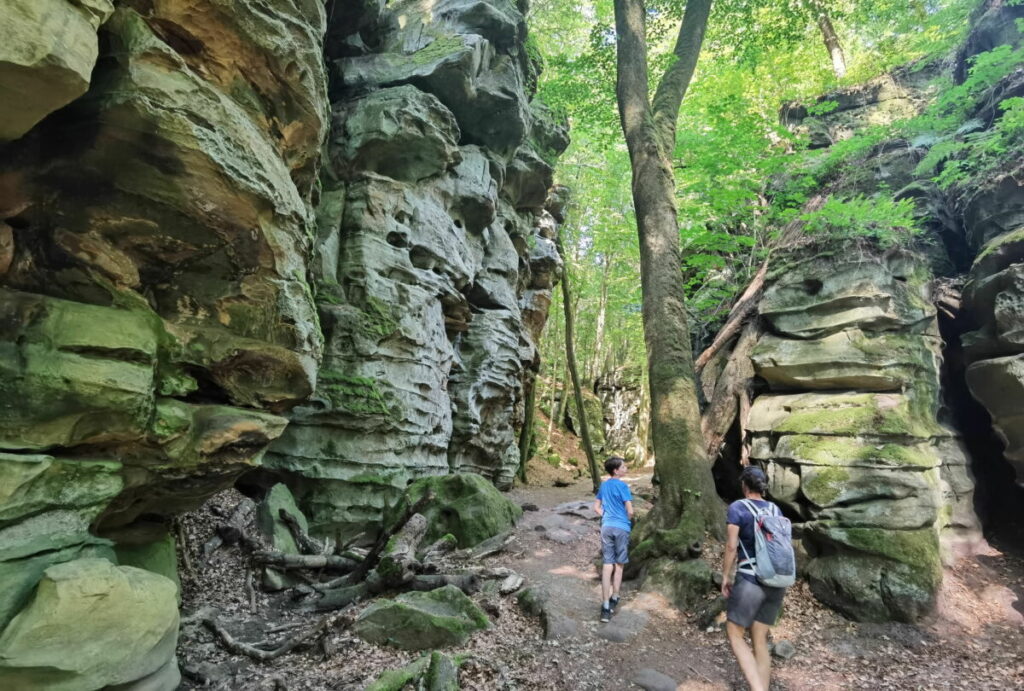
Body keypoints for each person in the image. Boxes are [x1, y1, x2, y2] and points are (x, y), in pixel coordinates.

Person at [721, 466, 788, 691]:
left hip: (751, 579)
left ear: (744, 485)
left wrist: (725, 576)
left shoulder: (738, 508)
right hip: (776, 581)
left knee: (735, 632)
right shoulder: (775, 509)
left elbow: (731, 546)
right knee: (760, 639)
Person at [593, 456, 633, 623]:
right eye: (623, 467)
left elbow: (596, 507)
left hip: (607, 526)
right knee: (619, 564)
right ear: (616, 470)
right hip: (621, 527)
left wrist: (607, 516)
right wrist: (627, 519)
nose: (626, 468)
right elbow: (630, 510)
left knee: (607, 564)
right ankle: (615, 595)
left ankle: (605, 605)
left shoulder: (604, 485)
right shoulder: (623, 486)